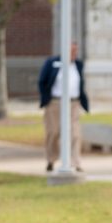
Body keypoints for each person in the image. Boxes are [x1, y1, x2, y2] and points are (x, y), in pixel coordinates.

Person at [38, 41, 89, 172]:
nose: (74, 54)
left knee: (75, 133)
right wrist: (46, 99)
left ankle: (75, 162)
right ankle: (51, 159)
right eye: (71, 51)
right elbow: (42, 81)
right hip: (55, 103)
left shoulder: (78, 64)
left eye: (75, 51)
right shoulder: (52, 62)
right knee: (54, 132)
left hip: (73, 103)